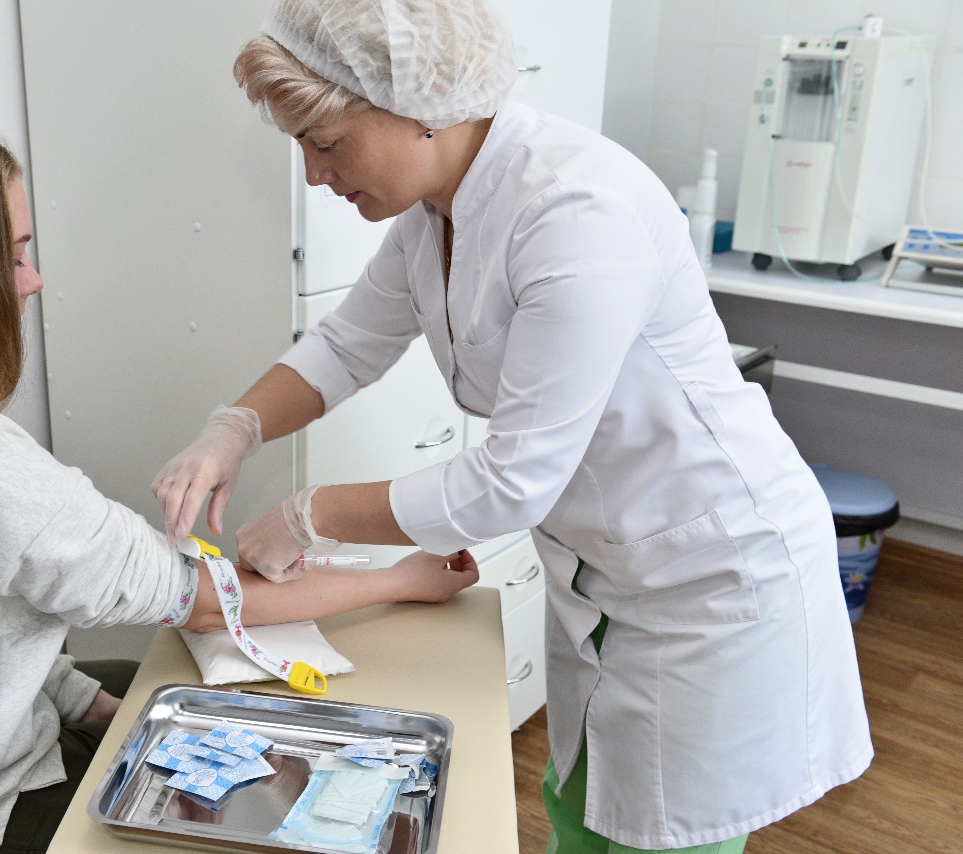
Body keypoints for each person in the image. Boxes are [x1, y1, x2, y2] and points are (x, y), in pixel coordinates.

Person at [151, 1, 874, 851]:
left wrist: (310, 514)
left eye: (327, 142)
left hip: (709, 579)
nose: (314, 174)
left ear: (418, 107)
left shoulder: (577, 212)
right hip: (605, 566)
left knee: (666, 836)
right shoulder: (438, 210)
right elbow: (346, 346)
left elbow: (510, 482)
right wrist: (233, 426)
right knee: (583, 805)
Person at [0, 109, 478, 854]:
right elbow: (204, 602)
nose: (35, 280)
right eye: (14, 256)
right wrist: (399, 580)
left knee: (135, 684)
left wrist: (91, 706)